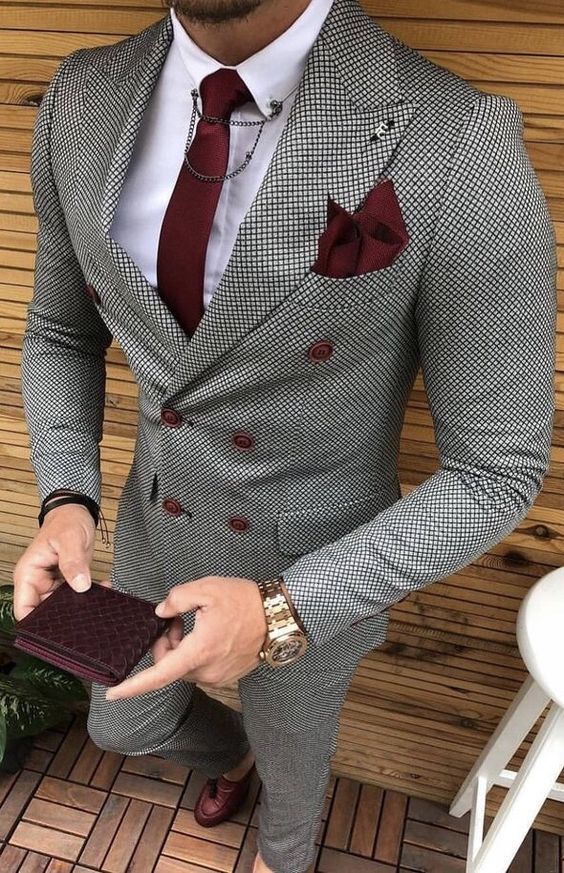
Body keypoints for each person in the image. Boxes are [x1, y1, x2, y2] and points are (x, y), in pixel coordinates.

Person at [13, 0, 557, 869]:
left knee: (296, 767)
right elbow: (59, 332)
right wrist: (66, 494)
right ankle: (230, 755)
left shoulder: (457, 139)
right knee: (121, 723)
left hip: (317, 560)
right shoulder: (83, 94)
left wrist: (281, 608)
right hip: (155, 526)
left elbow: (496, 469)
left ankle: (286, 851)